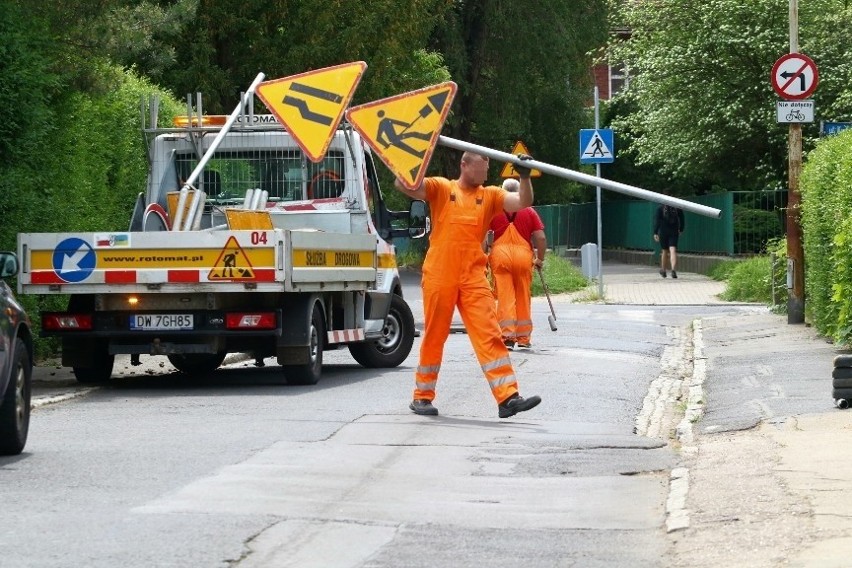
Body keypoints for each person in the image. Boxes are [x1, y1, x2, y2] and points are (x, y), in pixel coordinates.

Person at [393, 152, 542, 418]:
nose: (487, 173)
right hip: (441, 273)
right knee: (435, 335)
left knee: (490, 333)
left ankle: (507, 396)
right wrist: (415, 154)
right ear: (465, 165)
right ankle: (422, 397)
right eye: (483, 167)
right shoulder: (442, 187)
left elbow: (523, 201)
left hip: (473, 275)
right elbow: (404, 185)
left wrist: (524, 175)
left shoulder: (491, 195)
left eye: (488, 168)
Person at [488, 178, 547, 350]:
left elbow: (483, 237)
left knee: (505, 297)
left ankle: (507, 336)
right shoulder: (529, 211)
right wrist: (540, 259)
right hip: (523, 258)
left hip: (500, 257)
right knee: (522, 296)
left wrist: (484, 254)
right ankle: (523, 338)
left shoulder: (495, 210)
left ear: (503, 191)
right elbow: (541, 238)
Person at [653, 203, 685, 278]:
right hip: (674, 231)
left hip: (663, 231)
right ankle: (673, 269)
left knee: (664, 251)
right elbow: (682, 219)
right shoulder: (677, 208)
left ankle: (663, 270)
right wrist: (681, 229)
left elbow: (657, 221)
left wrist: (655, 232)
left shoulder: (660, 208)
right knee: (673, 250)